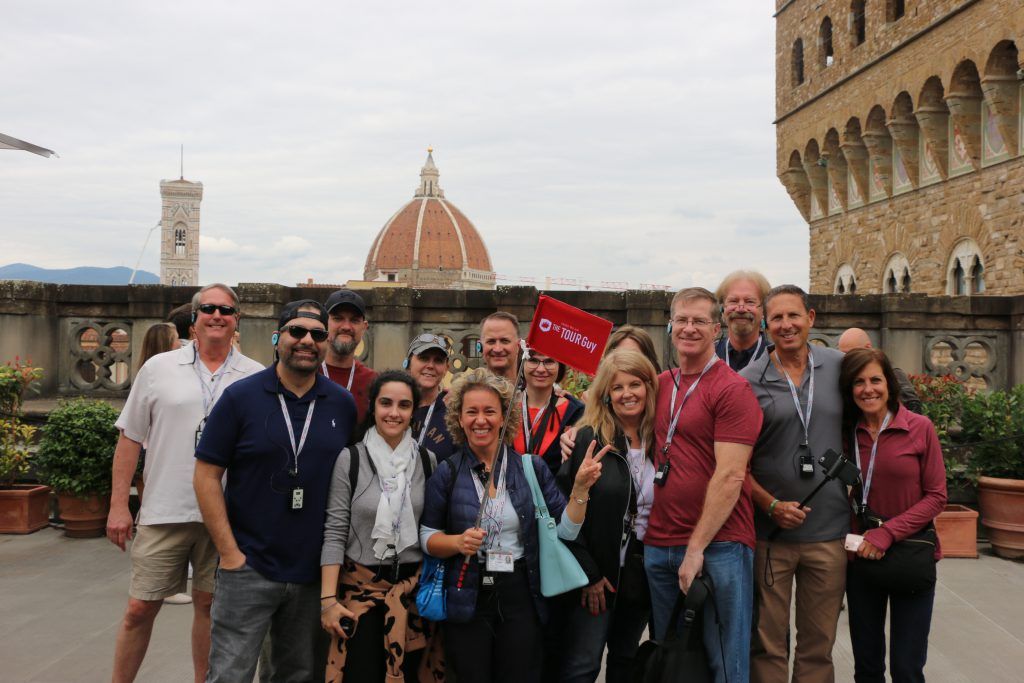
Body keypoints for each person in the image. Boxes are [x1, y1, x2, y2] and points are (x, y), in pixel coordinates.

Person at [107, 284, 263, 683]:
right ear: (194, 320)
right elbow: (130, 437)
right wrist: (119, 505)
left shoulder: (256, 376)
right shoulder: (159, 368)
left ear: (236, 321)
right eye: (208, 308)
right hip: (164, 508)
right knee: (140, 608)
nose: (217, 315)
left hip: (226, 517)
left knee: (210, 608)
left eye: (226, 310)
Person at [194, 300, 357, 683]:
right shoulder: (240, 397)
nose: (306, 341)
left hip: (310, 571)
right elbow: (205, 475)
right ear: (277, 337)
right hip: (248, 566)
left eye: (317, 334)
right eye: (296, 332)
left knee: (296, 674)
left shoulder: (341, 404)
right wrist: (229, 553)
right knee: (230, 673)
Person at [419, 367, 601, 682]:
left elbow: (565, 532)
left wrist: (580, 490)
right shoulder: (447, 472)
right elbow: (426, 536)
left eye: (490, 411)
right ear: (459, 419)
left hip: (521, 592)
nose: (481, 420)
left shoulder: (531, 467)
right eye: (471, 412)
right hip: (468, 591)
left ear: (504, 417)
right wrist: (456, 543)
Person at [642, 287, 762, 683]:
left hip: (719, 546)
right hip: (660, 544)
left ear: (717, 329)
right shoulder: (660, 384)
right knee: (672, 662)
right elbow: (613, 419)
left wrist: (696, 549)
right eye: (682, 320)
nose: (689, 328)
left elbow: (731, 475)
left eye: (699, 322)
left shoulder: (732, 389)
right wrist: (577, 433)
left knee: (725, 664)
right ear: (670, 325)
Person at [739, 285, 847, 683]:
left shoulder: (839, 367)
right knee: (768, 644)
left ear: (811, 318)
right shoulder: (748, 380)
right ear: (766, 325)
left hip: (829, 531)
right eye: (777, 318)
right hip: (771, 535)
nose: (786, 325)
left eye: (794, 316)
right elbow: (734, 465)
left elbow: (883, 404)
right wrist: (770, 505)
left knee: (819, 644)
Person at [320, 370, 441, 681]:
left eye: (404, 405)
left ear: (414, 411)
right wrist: (328, 600)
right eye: (386, 403)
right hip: (360, 594)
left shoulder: (427, 461)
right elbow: (334, 531)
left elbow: (433, 527)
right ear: (373, 406)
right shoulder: (351, 460)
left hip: (411, 596)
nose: (394, 413)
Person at [839, 348, 947, 683]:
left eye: (875, 380)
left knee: (907, 667)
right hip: (862, 560)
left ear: (889, 384)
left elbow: (937, 496)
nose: (868, 389)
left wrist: (887, 532)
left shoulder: (919, 428)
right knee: (868, 667)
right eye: (858, 382)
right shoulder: (845, 434)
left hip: (910, 554)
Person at [556, 349, 659, 683]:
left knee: (626, 660)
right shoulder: (588, 438)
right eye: (617, 387)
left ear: (649, 387)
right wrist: (589, 573)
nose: (627, 394)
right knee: (583, 664)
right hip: (597, 575)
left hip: (643, 572)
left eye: (635, 384)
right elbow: (565, 514)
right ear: (606, 395)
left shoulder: (663, 440)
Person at [137, 321, 194, 605]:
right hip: (157, 453)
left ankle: (171, 580)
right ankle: (168, 583)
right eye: (175, 339)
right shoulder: (157, 371)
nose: (180, 343)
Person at [513, 348, 584, 474]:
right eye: (533, 360)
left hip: (557, 492)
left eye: (549, 361)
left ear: (560, 367)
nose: (541, 369)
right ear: (522, 364)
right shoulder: (506, 409)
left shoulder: (576, 412)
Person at [836, 327, 924, 414]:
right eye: (843, 355)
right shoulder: (844, 375)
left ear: (868, 347)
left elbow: (913, 405)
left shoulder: (893, 373)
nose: (847, 359)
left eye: (875, 380)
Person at [323, 289, 378, 423]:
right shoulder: (306, 374)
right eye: (338, 318)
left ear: (364, 327)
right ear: (324, 322)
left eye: (354, 320)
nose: (346, 327)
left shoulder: (374, 382)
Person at [406, 333, 457, 461]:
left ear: (446, 368)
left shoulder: (454, 411)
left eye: (438, 361)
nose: (430, 365)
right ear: (408, 363)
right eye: (423, 358)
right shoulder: (392, 405)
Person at [715, 270, 771, 372]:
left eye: (750, 301)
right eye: (733, 301)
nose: (741, 309)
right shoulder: (708, 356)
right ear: (723, 309)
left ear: (763, 310)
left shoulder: (776, 358)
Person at [479, 311, 521, 384]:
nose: (497, 349)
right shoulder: (468, 392)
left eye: (505, 341)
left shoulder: (533, 391)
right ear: (480, 347)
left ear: (518, 346)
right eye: (491, 341)